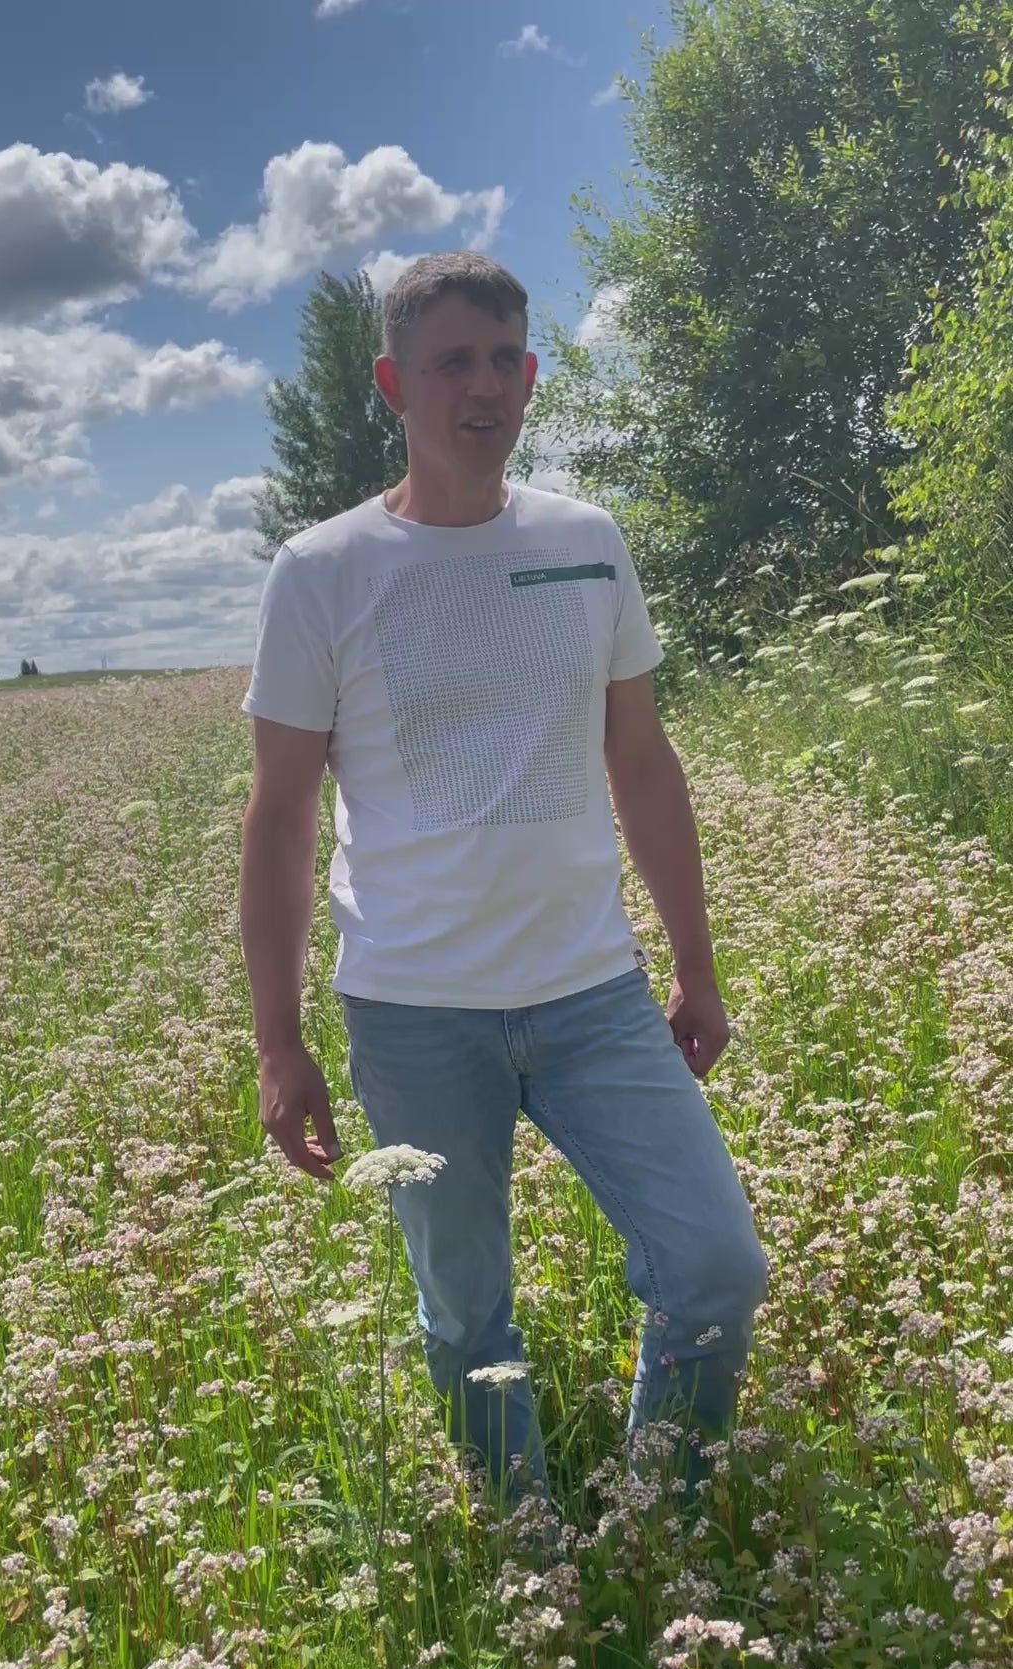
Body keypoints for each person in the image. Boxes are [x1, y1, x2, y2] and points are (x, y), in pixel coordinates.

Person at [238, 251, 768, 1493]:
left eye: (503, 360)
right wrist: (279, 1040)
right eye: (451, 363)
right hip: (414, 1014)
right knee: (466, 1314)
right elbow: (281, 816)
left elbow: (642, 763)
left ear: (530, 378)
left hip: (594, 994)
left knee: (715, 1265)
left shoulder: (587, 544)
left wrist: (695, 966)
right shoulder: (321, 571)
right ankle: (527, 1545)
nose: (482, 386)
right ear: (394, 384)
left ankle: (663, 1520)